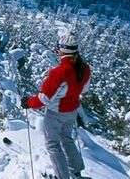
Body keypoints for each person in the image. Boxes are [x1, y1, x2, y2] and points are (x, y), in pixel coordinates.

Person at [21, 31, 91, 179]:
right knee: (67, 139)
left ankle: (62, 176)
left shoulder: (59, 72)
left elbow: (43, 99)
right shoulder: (84, 68)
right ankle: (76, 172)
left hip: (56, 113)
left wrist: (28, 102)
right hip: (72, 111)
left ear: (62, 49)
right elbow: (84, 89)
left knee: (53, 144)